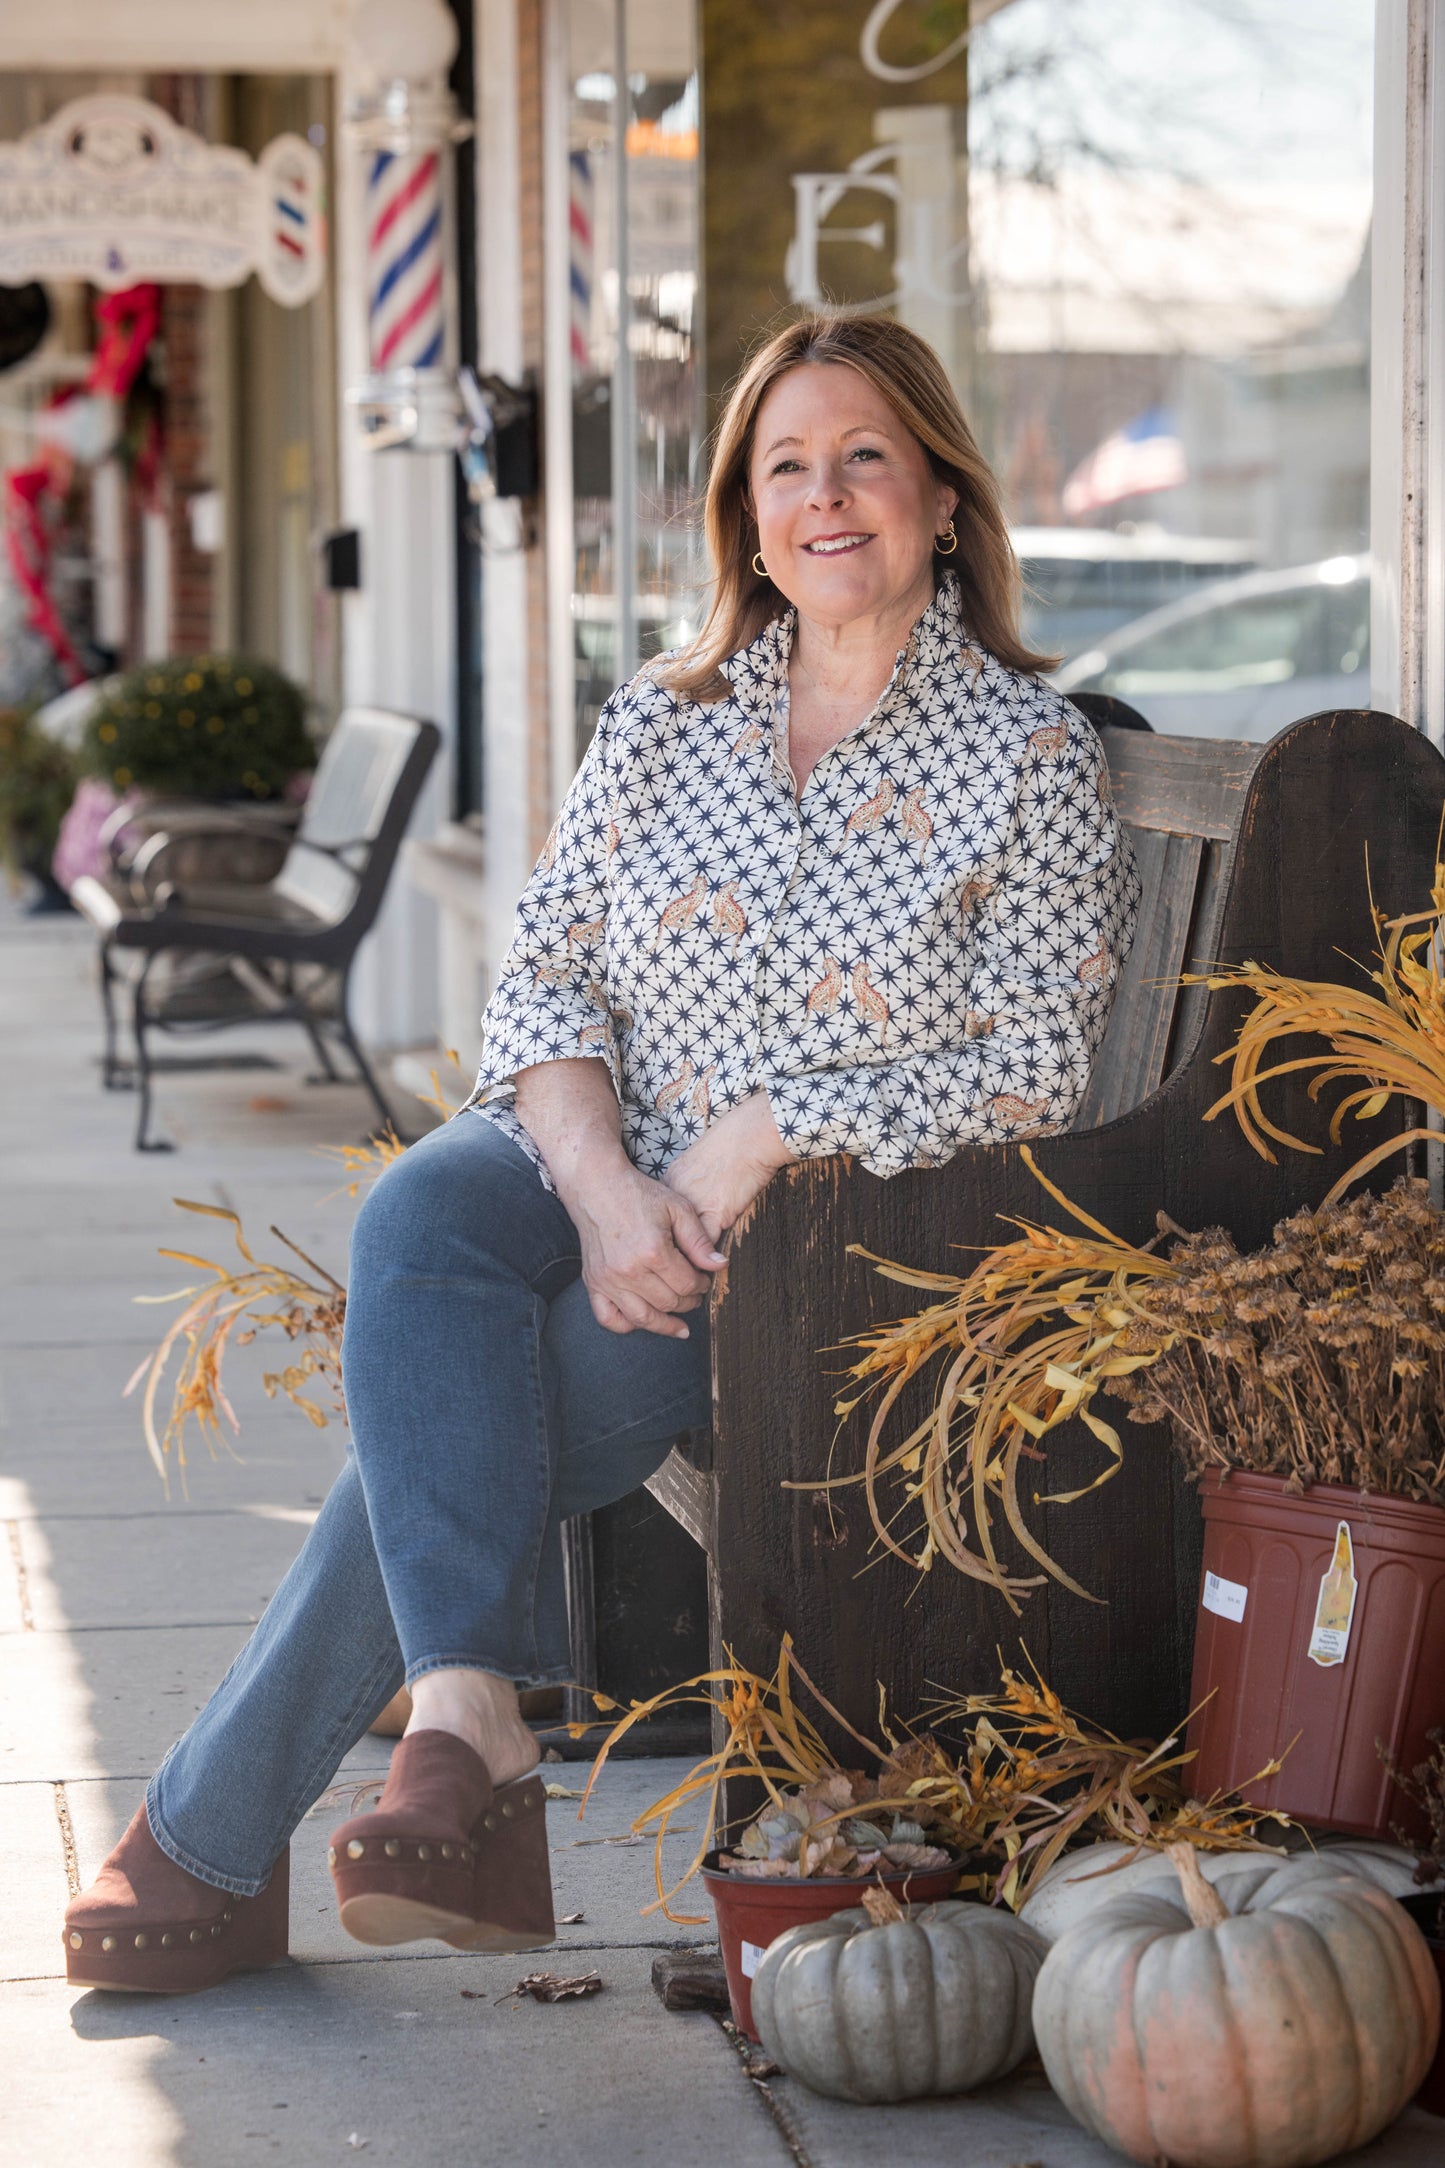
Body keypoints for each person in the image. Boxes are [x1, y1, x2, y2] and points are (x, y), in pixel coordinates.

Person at [63, 312, 1140, 1992]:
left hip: (814, 1252)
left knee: (488, 1414)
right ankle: (468, 1718)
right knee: (422, 1210)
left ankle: (242, 1831)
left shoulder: (1027, 755)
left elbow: (1036, 1068)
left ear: (941, 496)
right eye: (786, 465)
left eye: (863, 455)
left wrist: (762, 1136)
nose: (824, 494)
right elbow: (547, 978)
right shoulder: (665, 717)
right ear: (746, 518)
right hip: (596, 1165)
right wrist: (601, 1185)